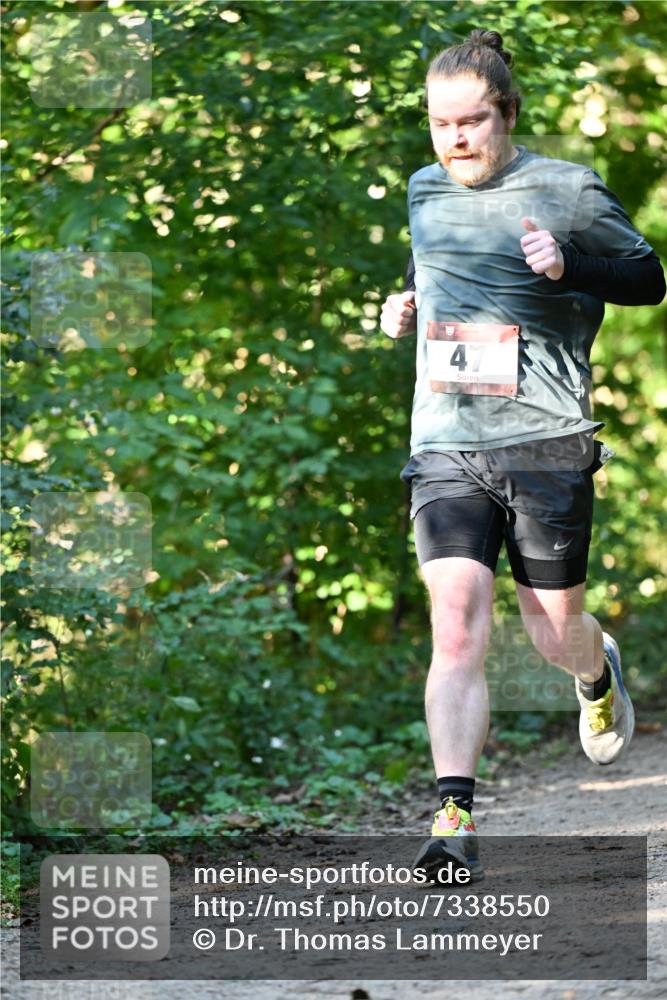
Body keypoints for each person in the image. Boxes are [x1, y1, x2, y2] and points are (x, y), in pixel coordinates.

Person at [380, 28, 665, 882]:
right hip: (445, 441)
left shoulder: (567, 189)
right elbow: (434, 264)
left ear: (506, 115)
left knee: (552, 634)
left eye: (471, 122)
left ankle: (595, 668)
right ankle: (454, 815)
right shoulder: (423, 188)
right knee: (456, 622)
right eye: (440, 125)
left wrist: (568, 261)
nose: (455, 139)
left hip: (545, 437)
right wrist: (404, 305)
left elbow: (648, 277)